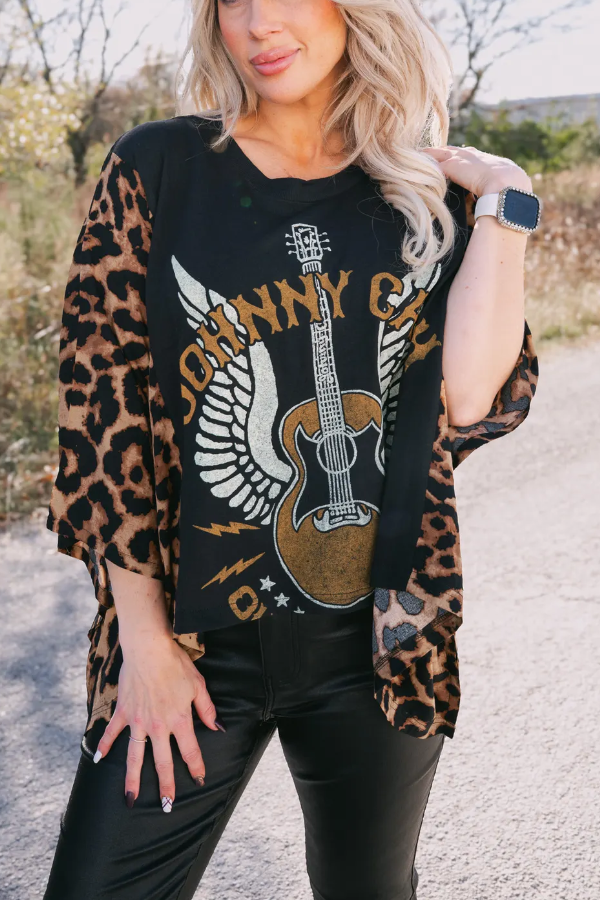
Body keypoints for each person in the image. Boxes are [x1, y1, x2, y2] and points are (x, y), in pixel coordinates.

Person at [42, 0, 539, 898]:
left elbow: (469, 395)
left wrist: (506, 200)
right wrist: (144, 644)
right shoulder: (160, 167)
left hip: (377, 649)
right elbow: (100, 413)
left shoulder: (418, 192)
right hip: (192, 651)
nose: (260, 24)